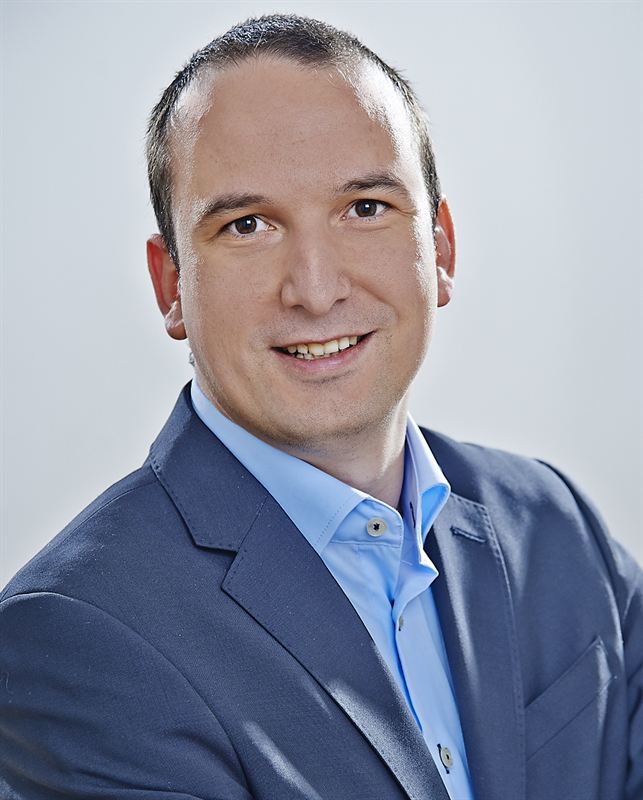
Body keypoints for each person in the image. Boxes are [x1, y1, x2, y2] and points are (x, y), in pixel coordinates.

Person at [1, 13, 641, 800]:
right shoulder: (73, 635)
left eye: (365, 208)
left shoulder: (555, 526)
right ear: (171, 286)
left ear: (439, 247)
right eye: (247, 225)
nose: (315, 289)